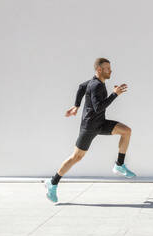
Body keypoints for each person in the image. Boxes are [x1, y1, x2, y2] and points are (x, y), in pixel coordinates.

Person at [44, 58, 136, 203]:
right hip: (89, 127)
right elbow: (98, 107)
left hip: (100, 123)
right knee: (76, 157)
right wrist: (114, 94)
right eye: (107, 69)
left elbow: (81, 87)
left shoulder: (93, 83)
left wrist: (76, 106)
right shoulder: (95, 86)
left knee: (126, 131)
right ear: (99, 70)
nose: (110, 71)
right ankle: (53, 183)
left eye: (110, 68)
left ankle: (119, 165)